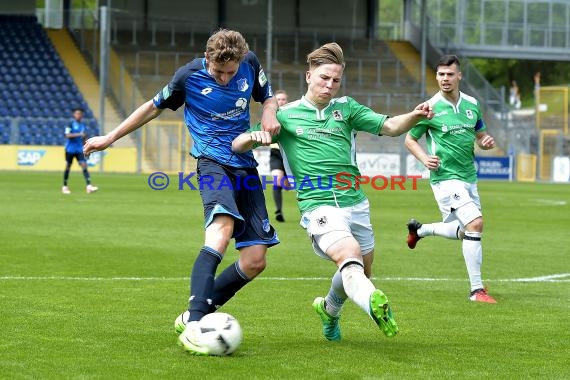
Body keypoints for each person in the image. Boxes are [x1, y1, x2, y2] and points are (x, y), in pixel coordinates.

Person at [83, 29, 281, 355]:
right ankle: (195, 328)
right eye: (219, 72)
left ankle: (193, 312)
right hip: (212, 163)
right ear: (207, 60)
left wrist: (269, 112)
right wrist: (110, 138)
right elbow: (152, 107)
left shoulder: (250, 63)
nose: (225, 78)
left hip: (245, 166)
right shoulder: (188, 76)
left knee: (255, 260)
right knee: (222, 228)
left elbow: (267, 96)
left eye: (231, 73)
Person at [232, 42, 433, 341]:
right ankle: (374, 303)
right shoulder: (285, 116)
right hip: (318, 204)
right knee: (348, 255)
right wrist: (253, 137)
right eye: (324, 78)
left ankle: (329, 310)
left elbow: (390, 126)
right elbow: (237, 144)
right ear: (308, 76)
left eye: (335, 80)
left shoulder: (348, 108)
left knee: (359, 270)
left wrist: (415, 115)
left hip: (356, 202)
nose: (329, 85)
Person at [404, 54, 497, 304]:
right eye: (441, 74)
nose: (445, 79)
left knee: (466, 231)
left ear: (459, 76)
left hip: (469, 176)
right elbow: (410, 139)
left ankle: (420, 230)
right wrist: (425, 159)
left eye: (449, 74)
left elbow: (480, 134)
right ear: (436, 76)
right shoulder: (429, 108)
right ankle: (476, 290)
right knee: (475, 224)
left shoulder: (472, 104)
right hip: (445, 178)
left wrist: (485, 142)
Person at [62, 107, 98, 194]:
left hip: (79, 149)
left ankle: (89, 186)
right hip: (70, 149)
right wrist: (79, 134)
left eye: (80, 114)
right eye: (77, 113)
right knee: (68, 167)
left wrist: (87, 147)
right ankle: (65, 186)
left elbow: (84, 137)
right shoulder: (70, 124)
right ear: (74, 114)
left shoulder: (83, 125)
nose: (78, 115)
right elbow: (67, 135)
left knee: (84, 165)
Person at [269, 89, 290, 222]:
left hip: (290, 154)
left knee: (289, 184)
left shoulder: (292, 115)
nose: (281, 101)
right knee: (277, 180)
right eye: (278, 99)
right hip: (276, 153)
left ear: (287, 101)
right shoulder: (270, 115)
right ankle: (278, 211)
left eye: (283, 99)